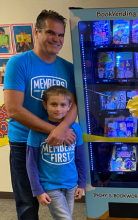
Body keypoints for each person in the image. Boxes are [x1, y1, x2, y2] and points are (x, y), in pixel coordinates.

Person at [3, 10, 77, 220]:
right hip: (24, 143)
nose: (56, 39)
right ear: (36, 32)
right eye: (50, 32)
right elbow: (13, 109)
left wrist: (62, 130)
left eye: (61, 35)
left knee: (64, 198)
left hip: (59, 143)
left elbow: (75, 105)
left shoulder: (68, 68)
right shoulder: (18, 63)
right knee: (27, 202)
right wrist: (55, 130)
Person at [26, 86, 86, 219]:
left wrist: (82, 183)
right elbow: (31, 163)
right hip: (50, 185)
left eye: (63, 105)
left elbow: (80, 157)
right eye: (53, 104)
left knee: (65, 217)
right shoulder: (36, 131)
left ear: (70, 106)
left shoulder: (76, 128)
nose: (58, 109)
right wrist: (37, 190)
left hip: (71, 184)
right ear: (45, 105)